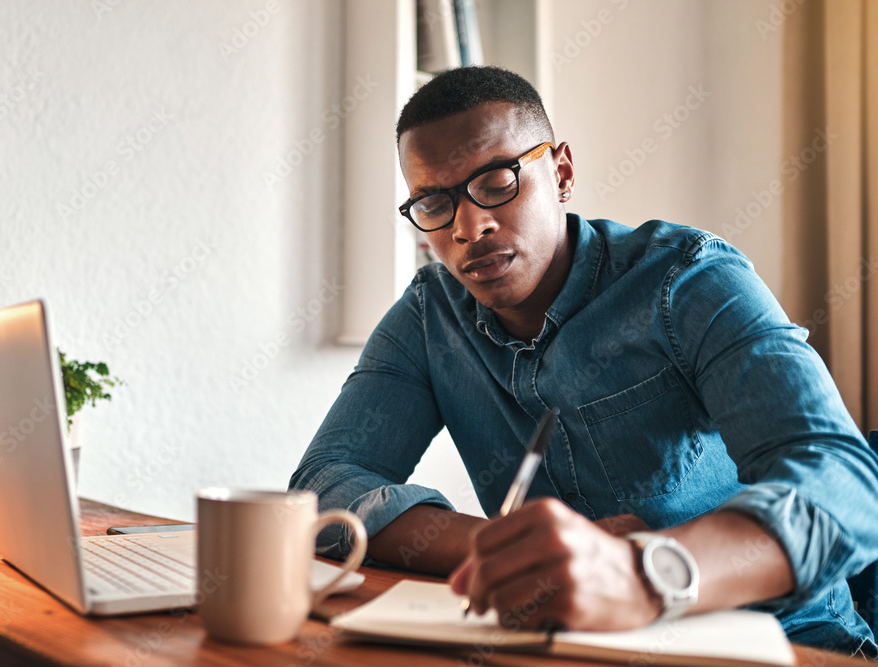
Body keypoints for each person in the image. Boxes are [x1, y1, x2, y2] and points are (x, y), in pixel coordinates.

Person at [289, 65, 878, 655]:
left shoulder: (690, 281)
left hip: (785, 643)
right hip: (563, 646)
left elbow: (846, 486)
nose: (470, 227)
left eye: (496, 182)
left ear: (562, 172)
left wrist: (642, 573)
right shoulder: (428, 316)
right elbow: (323, 485)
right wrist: (512, 554)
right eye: (434, 203)